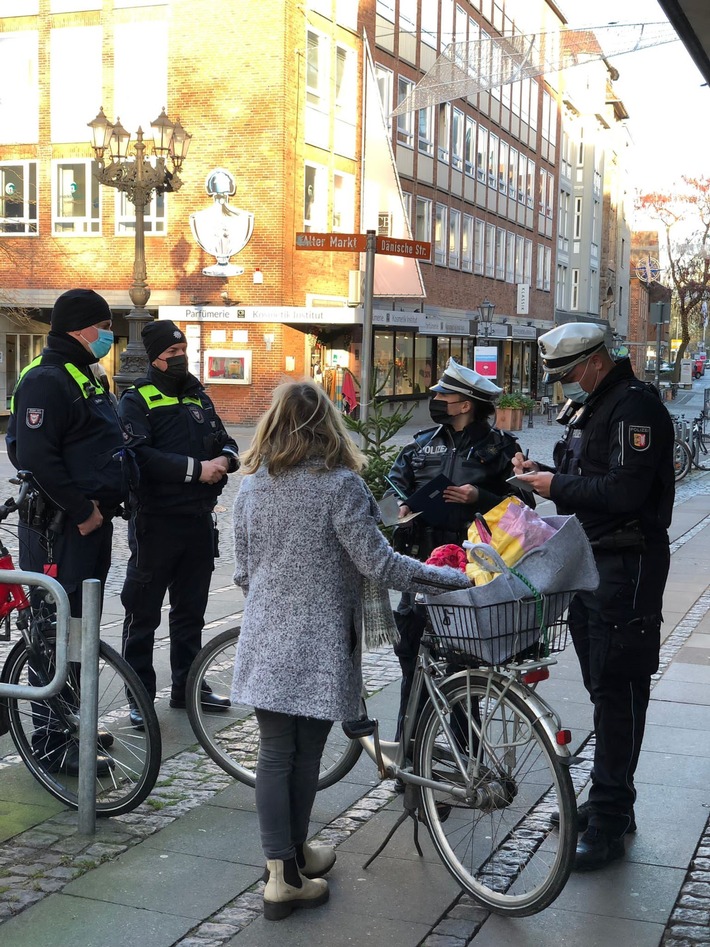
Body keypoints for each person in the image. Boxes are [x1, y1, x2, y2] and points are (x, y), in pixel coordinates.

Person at [231, 380, 470, 921]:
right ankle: (284, 874)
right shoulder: (340, 486)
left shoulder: (251, 486)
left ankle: (286, 863)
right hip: (320, 641)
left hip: (266, 633)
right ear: (327, 425)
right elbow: (380, 565)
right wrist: (450, 579)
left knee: (275, 754)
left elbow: (243, 571)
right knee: (304, 754)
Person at [511, 323, 675, 871]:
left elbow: (625, 492)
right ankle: (610, 802)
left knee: (619, 688)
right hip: (593, 561)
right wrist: (545, 474)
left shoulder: (632, 408)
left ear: (596, 362)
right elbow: (590, 476)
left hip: (625, 566)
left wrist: (555, 486)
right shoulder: (595, 406)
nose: (564, 386)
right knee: (602, 685)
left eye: (568, 374)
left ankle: (608, 818)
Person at [6, 288, 129, 775]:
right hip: (60, 528)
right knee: (55, 630)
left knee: (79, 629)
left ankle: (72, 718)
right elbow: (34, 457)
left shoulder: (83, 373)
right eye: (104, 326)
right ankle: (53, 742)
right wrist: (82, 511)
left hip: (88, 526)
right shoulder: (46, 379)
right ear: (81, 329)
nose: (108, 336)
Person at [385, 357, 531, 739]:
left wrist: (478, 496)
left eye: (442, 395)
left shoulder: (501, 449)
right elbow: (386, 497)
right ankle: (411, 751)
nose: (435, 400)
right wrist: (398, 507)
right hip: (419, 563)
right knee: (413, 659)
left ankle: (466, 753)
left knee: (464, 666)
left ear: (465, 404)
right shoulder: (420, 446)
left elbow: (525, 508)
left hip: (473, 569)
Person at [119, 320, 240, 728]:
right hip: (156, 521)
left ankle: (188, 686)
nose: (179, 357)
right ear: (154, 357)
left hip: (197, 522)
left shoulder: (198, 395)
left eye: (182, 350)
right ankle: (139, 694)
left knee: (191, 612)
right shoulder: (136, 399)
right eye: (171, 353)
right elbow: (138, 455)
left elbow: (226, 440)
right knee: (143, 614)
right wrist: (195, 470)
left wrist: (224, 460)